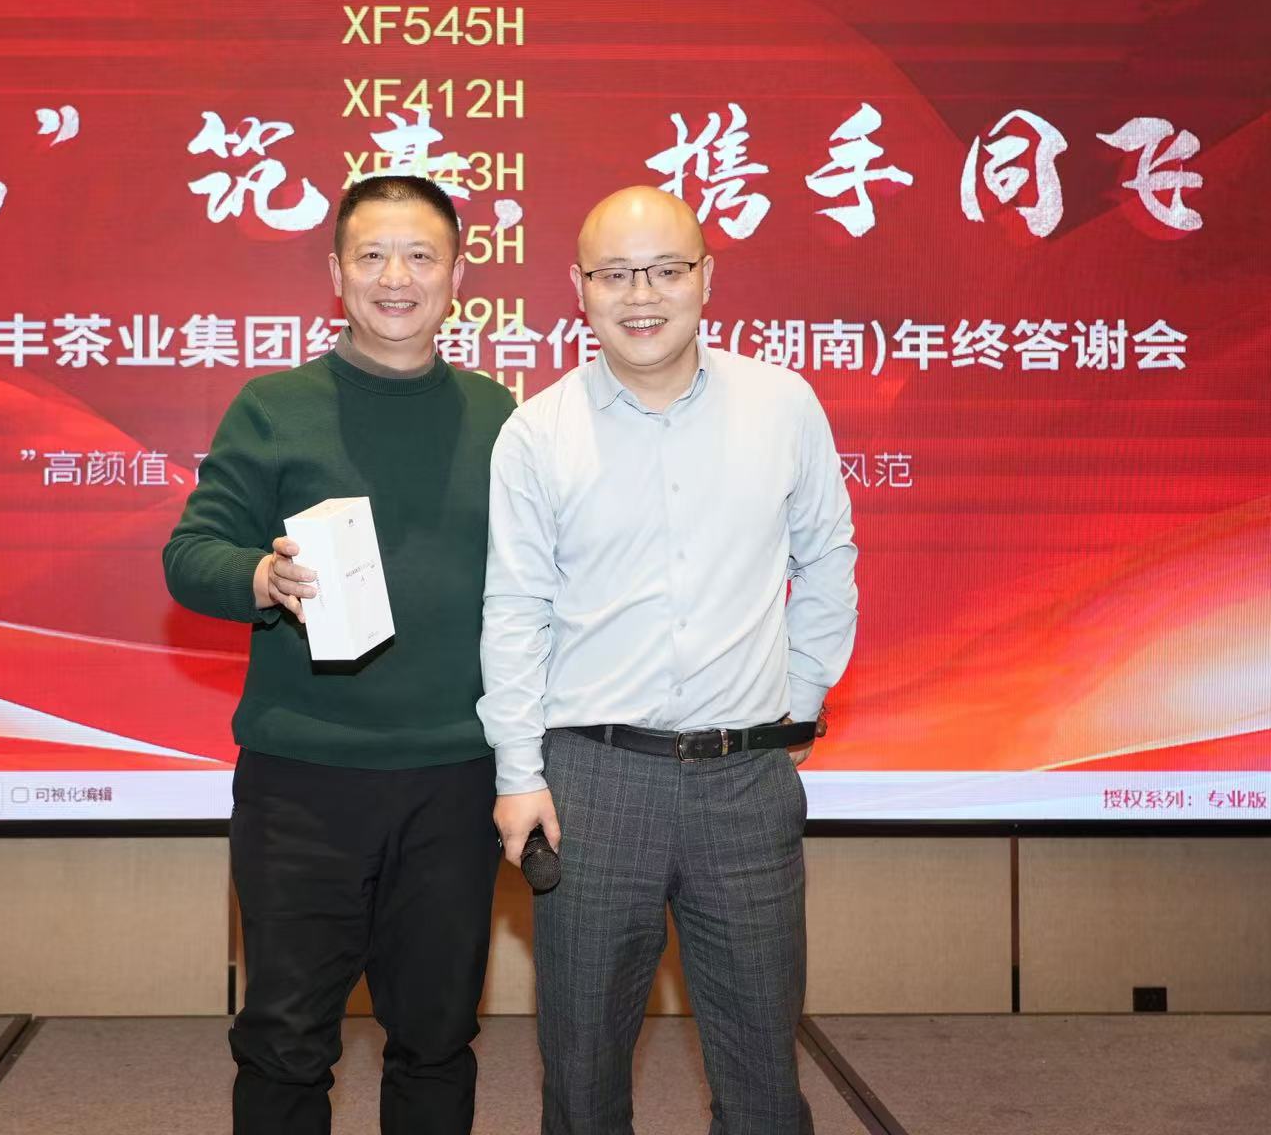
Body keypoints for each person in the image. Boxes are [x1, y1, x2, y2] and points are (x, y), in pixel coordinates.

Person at [479, 186, 858, 1134]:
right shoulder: (537, 432)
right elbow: (516, 610)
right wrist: (519, 774)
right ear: (579, 288)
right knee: (582, 1066)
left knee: (763, 1067)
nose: (641, 295)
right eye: (615, 274)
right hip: (592, 783)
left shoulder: (782, 404)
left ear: (706, 278)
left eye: (665, 270)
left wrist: (799, 700)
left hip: (745, 783)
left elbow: (827, 559)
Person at [163, 174, 515, 1135]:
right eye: (372, 256)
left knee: (437, 1037)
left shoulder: (501, 417)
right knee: (285, 1041)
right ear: (335, 273)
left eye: (421, 256)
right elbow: (190, 555)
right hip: (303, 781)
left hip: (455, 779)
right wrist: (259, 577)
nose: (396, 277)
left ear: (457, 276)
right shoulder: (275, 407)